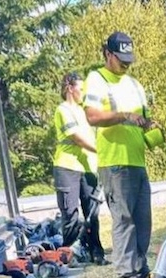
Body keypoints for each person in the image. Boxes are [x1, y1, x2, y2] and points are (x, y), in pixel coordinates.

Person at [84, 32, 157, 278]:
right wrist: (124, 115)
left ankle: (140, 267)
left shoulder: (135, 85)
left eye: (129, 58)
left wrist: (152, 128)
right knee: (124, 218)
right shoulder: (97, 79)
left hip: (137, 160)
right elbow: (92, 116)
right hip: (114, 162)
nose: (125, 64)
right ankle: (126, 274)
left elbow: (143, 120)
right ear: (108, 54)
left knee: (143, 220)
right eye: (121, 58)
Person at [52, 72, 106, 264]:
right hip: (67, 168)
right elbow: (77, 138)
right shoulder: (63, 110)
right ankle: (71, 255)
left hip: (88, 168)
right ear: (69, 88)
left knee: (92, 212)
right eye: (80, 89)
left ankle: (97, 253)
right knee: (70, 214)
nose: (84, 93)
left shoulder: (86, 111)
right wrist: (102, 151)